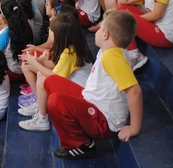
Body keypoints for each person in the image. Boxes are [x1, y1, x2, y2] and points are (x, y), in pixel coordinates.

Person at [46, 10, 143, 159]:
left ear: (105, 35)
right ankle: (76, 127)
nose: (96, 30)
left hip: (103, 121)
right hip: (92, 101)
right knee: (51, 81)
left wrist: (134, 127)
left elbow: (135, 92)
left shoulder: (112, 57)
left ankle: (81, 145)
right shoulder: (110, 50)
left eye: (100, 27)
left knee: (55, 102)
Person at [18, 12, 93, 131]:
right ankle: (40, 104)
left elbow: (54, 77)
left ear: (59, 35)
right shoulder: (69, 48)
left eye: (51, 31)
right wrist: (34, 60)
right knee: (29, 67)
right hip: (75, 87)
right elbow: (55, 66)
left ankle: (42, 119)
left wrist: (35, 62)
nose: (49, 33)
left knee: (43, 78)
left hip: (82, 95)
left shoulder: (70, 52)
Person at [0, 0, 33, 82]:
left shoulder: (5, 34)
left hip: (12, 73)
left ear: (2, 17)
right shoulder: (22, 25)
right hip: (24, 69)